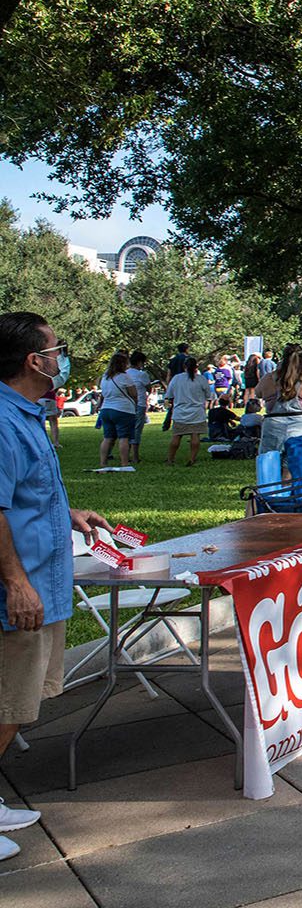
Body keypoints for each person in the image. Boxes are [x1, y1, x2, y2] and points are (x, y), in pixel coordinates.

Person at [0, 313, 111, 863]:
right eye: (56, 349)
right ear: (32, 360)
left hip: (45, 580)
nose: (61, 357)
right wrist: (16, 583)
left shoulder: (26, 415)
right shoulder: (1, 419)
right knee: (5, 703)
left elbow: (24, 494)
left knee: (19, 703)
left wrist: (68, 513)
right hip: (19, 594)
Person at [256, 345, 302, 481]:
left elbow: (258, 392)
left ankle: (271, 498)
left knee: (269, 467)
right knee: (297, 468)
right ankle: (293, 496)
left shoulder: (269, 379)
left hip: (273, 424)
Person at [163, 356, 214, 467]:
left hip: (180, 412)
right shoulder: (201, 379)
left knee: (177, 436)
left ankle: (170, 459)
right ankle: (192, 458)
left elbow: (169, 395)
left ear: (184, 366)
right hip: (197, 412)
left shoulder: (177, 378)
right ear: (196, 367)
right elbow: (208, 395)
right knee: (195, 436)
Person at [95, 351, 139, 468]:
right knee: (124, 437)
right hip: (123, 409)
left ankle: (103, 462)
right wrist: (136, 404)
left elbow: (103, 395)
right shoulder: (125, 377)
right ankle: (124, 462)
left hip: (106, 409)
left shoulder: (105, 378)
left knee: (108, 438)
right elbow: (134, 394)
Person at [124, 350, 154, 465]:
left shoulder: (125, 373)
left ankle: (126, 454)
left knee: (126, 430)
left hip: (127, 404)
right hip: (139, 403)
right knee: (137, 430)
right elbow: (149, 388)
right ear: (140, 362)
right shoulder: (142, 374)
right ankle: (135, 456)